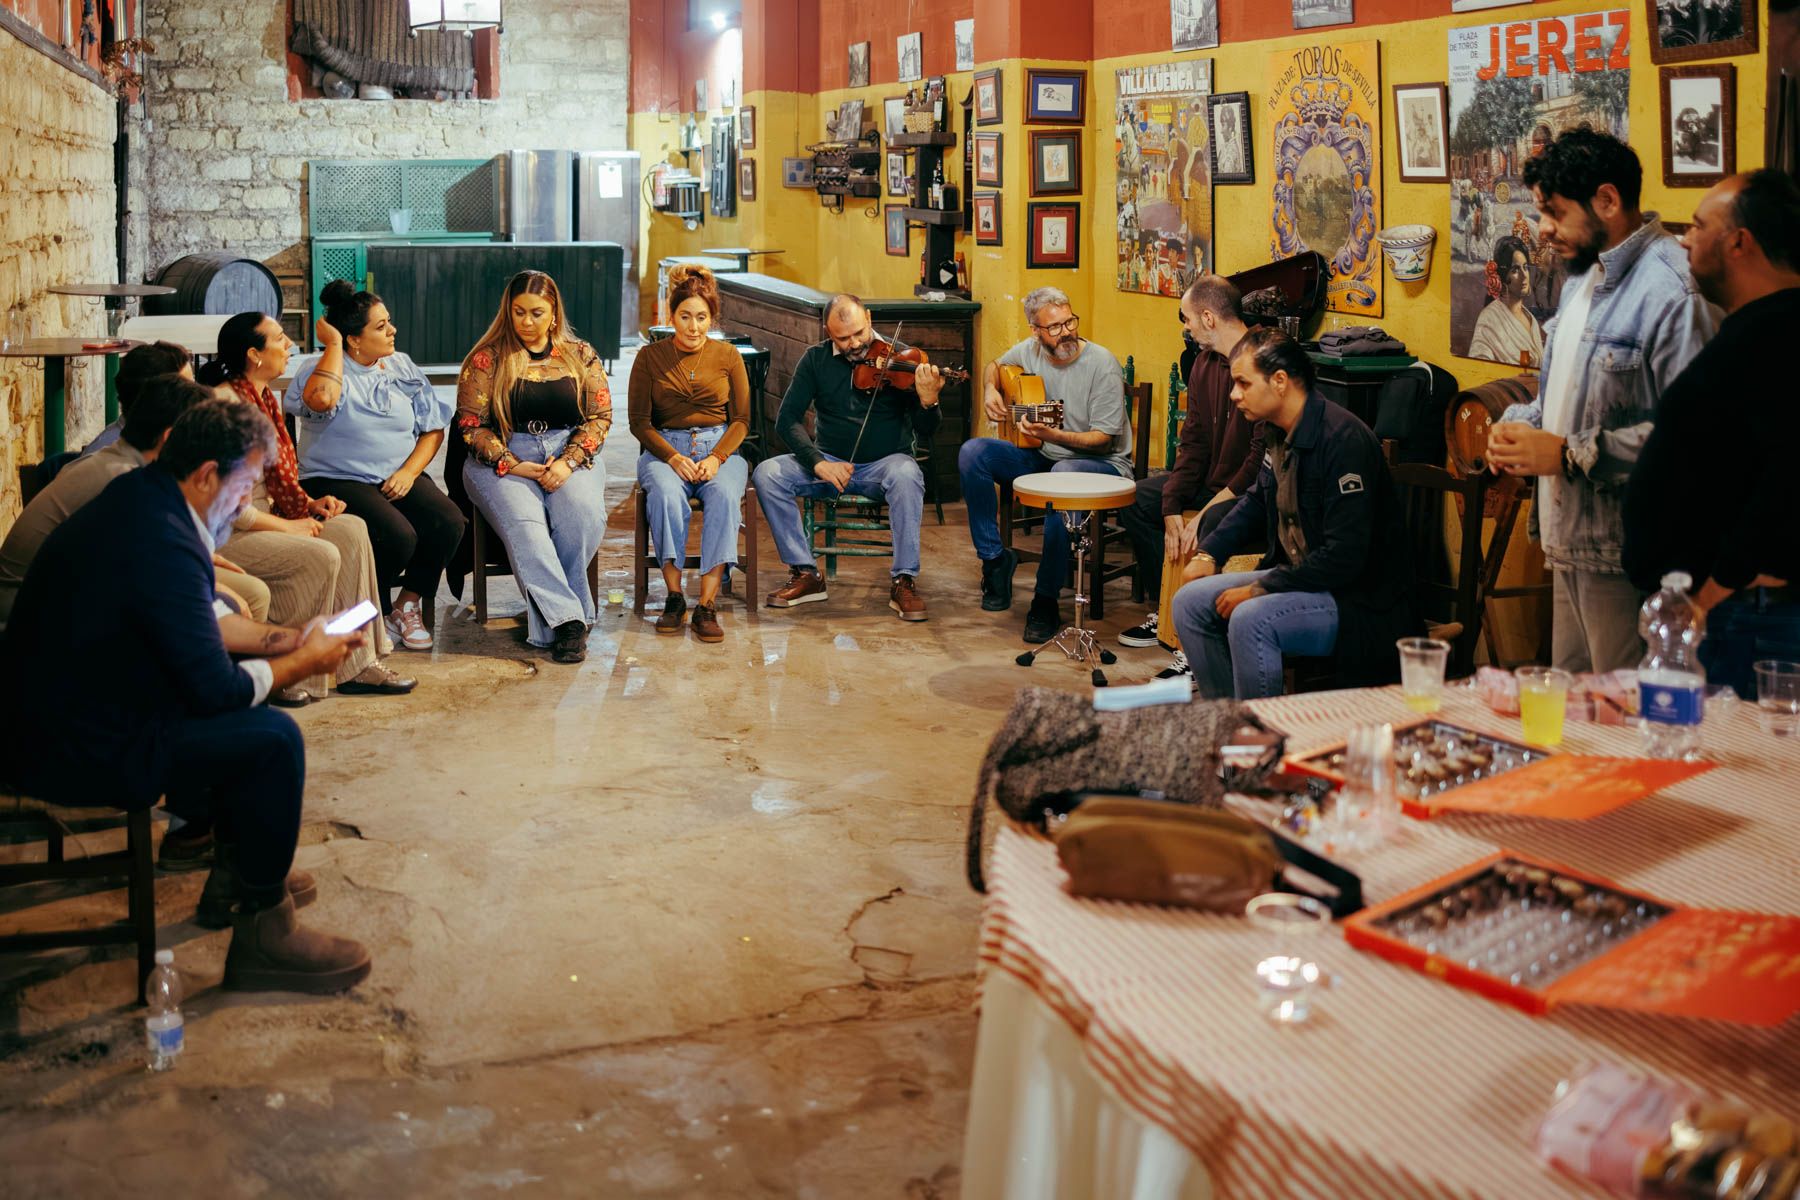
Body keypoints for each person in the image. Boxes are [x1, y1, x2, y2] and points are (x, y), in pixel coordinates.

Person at [0, 398, 373, 993]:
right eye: (246, 484)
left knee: (246, 688)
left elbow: (203, 622)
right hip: (67, 742)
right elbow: (213, 688)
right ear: (205, 475)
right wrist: (302, 661)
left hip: (70, 706)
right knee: (273, 738)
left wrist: (287, 636)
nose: (249, 501)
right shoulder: (161, 536)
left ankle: (241, 872)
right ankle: (264, 934)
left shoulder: (147, 499)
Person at [1486, 127, 1719, 674]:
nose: (1543, 231)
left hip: (1630, 560)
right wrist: (1515, 429)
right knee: (1575, 729)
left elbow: (1695, 441)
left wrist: (1567, 454)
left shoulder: (1672, 291)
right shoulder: (1579, 277)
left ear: (1608, 201)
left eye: (1555, 213)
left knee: (1630, 730)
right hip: (1566, 543)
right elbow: (1561, 397)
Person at [1624, 170, 1800, 697]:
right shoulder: (1753, 329)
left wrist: (1713, 592)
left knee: (1736, 776)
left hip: (1748, 621)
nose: (1686, 239)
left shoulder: (1778, 339)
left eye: (1699, 226)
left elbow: (1788, 477)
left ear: (1739, 243)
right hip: (1735, 614)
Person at [1171, 329, 1414, 699]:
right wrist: (1209, 553)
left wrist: (1259, 588)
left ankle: (1263, 742)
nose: (1234, 394)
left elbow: (1344, 558)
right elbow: (1255, 500)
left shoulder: (1343, 441)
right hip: (1300, 576)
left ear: (1280, 381)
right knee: (1188, 603)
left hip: (1356, 598)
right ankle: (1227, 724)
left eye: (1242, 383)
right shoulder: (1275, 430)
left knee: (1251, 620)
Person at [196, 312, 414, 702]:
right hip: (231, 533)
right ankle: (293, 673)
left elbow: (277, 480)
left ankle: (358, 662)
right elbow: (228, 507)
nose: (290, 347)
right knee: (322, 554)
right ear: (254, 354)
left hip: (265, 516)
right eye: (280, 339)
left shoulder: (264, 396)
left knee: (351, 529)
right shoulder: (225, 405)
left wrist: (309, 504)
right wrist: (288, 528)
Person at [287, 280, 465, 652]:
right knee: (398, 536)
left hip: (396, 473)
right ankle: (367, 613)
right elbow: (320, 402)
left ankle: (405, 605)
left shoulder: (400, 365)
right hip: (335, 478)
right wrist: (332, 346)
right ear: (353, 339)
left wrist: (409, 472)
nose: (393, 330)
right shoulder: (320, 370)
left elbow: (433, 428)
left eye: (389, 322)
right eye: (381, 326)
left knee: (448, 520)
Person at [751, 294, 942, 622]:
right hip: (828, 463)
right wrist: (818, 462)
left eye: (859, 333)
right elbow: (787, 419)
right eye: (843, 338)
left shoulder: (901, 361)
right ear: (828, 331)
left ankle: (904, 579)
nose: (854, 344)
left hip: (885, 466)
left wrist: (929, 402)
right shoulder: (815, 360)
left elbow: (927, 430)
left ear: (869, 317)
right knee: (767, 473)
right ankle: (806, 573)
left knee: (908, 473)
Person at [961, 286, 1134, 643]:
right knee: (973, 453)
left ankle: (1046, 599)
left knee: (1061, 477)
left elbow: (1103, 439)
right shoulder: (1030, 351)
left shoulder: (1102, 364)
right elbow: (995, 365)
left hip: (1101, 465)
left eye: (1069, 321)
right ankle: (995, 561)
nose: (1066, 331)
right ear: (1035, 332)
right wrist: (990, 390)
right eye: (1054, 327)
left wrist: (1051, 435)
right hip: (1045, 458)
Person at [456, 270, 612, 664]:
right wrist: (511, 463)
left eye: (537, 313)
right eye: (519, 312)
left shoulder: (581, 354)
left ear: (554, 313)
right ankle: (569, 623)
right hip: (502, 456)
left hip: (568, 452)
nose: (527, 322)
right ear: (507, 312)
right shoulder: (486, 359)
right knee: (527, 527)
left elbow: (600, 416)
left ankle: (556, 616)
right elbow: (470, 424)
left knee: (582, 516)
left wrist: (569, 461)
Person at [1115, 276, 1266, 673]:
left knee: (1211, 524)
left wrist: (1199, 515)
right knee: (1137, 499)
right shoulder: (1203, 363)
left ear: (1208, 317)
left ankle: (1197, 646)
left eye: (1186, 319)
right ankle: (1164, 612)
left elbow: (1258, 463)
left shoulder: (1263, 359)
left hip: (1254, 493)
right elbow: (1194, 440)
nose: (1185, 328)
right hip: (1210, 480)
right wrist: (1171, 506)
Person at [0, 373, 212, 626]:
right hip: (29, 612)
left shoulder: (120, 460)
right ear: (170, 437)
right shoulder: (125, 479)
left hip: (54, 592)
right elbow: (149, 568)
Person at [628, 264, 750, 643]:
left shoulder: (729, 356)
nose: (693, 327)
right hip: (665, 449)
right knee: (664, 495)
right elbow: (639, 422)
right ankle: (675, 597)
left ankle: (708, 604)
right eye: (685, 317)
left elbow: (742, 420)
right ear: (671, 315)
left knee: (726, 495)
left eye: (701, 317)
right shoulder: (649, 358)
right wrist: (672, 458)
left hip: (720, 449)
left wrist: (716, 458)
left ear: (712, 318)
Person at [77, 339, 190, 459]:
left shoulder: (156, 444)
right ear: (158, 400)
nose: (197, 396)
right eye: (187, 390)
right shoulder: (113, 464)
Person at [1467, 234, 1545, 369]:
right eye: (1515, 270)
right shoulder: (1489, 318)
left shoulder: (1531, 320)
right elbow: (1478, 367)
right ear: (1503, 276)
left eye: (1525, 267)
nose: (1524, 275)